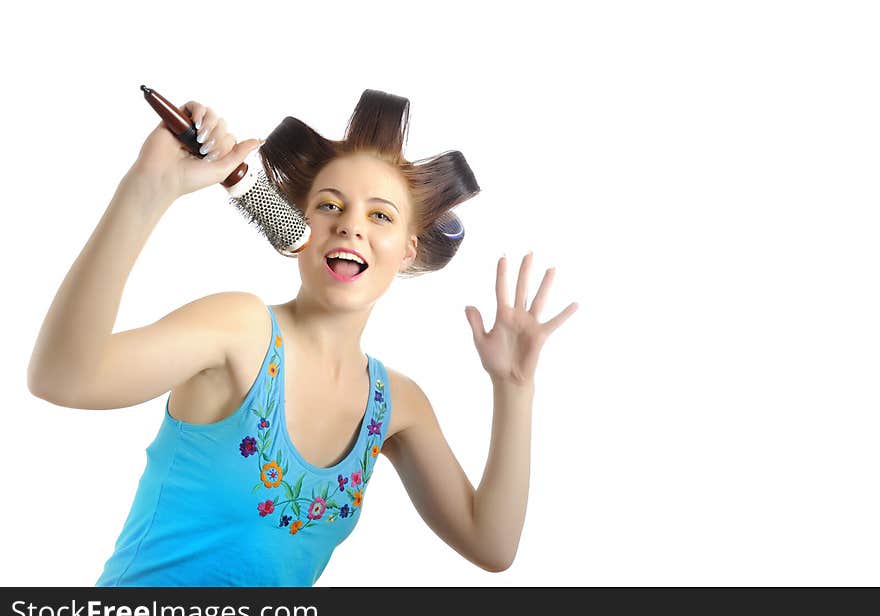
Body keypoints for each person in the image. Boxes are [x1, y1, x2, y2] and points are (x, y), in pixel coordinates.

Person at [27, 89, 578, 586]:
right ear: (301, 223)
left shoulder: (395, 405)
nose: (350, 225)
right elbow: (61, 377)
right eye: (330, 206)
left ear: (408, 250)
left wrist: (513, 386)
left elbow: (492, 545)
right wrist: (148, 188)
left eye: (380, 216)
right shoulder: (238, 331)